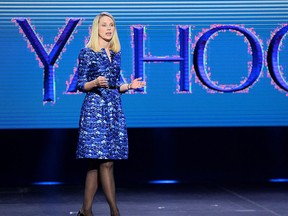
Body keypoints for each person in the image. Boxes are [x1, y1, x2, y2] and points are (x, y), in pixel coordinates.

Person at [75, 12, 146, 216]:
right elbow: (80, 85)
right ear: (97, 27)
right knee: (105, 162)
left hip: (113, 110)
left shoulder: (115, 54)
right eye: (104, 25)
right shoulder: (87, 52)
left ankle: (85, 211)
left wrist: (128, 86)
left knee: (95, 164)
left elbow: (114, 86)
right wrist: (94, 82)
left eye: (112, 25)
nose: (108, 28)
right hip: (95, 111)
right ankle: (115, 212)